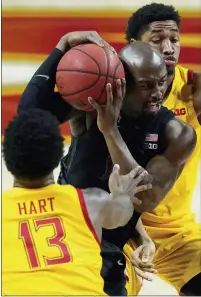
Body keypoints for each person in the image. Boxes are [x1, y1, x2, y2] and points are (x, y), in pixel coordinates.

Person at [17, 33, 196, 295]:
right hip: (65, 232)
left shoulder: (177, 133)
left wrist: (110, 132)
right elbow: (27, 115)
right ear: (120, 84)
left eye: (162, 82)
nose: (159, 93)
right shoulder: (90, 105)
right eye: (146, 85)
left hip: (110, 247)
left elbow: (145, 199)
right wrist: (61, 47)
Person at [2, 108, 152, 295]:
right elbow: (121, 217)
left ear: (6, 158)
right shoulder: (91, 201)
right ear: (57, 156)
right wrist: (121, 195)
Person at [124, 3, 201, 295]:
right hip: (116, 226)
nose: (168, 48)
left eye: (174, 39)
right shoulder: (112, 92)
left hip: (175, 232)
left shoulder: (193, 91)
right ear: (134, 46)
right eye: (157, 41)